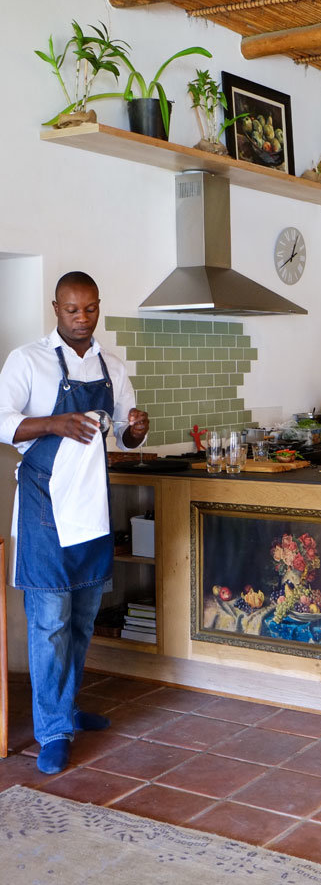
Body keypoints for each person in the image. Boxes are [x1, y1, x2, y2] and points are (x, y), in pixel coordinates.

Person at [0, 271, 149, 774]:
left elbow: (126, 435)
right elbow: (1, 420)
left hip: (90, 506)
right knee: (49, 622)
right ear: (55, 309)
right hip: (44, 506)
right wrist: (53, 423)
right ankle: (53, 731)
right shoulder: (27, 360)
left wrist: (136, 428)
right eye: (71, 309)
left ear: (99, 307)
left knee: (83, 618)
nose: (82, 318)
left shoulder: (113, 367)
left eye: (90, 309)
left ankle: (65, 706)